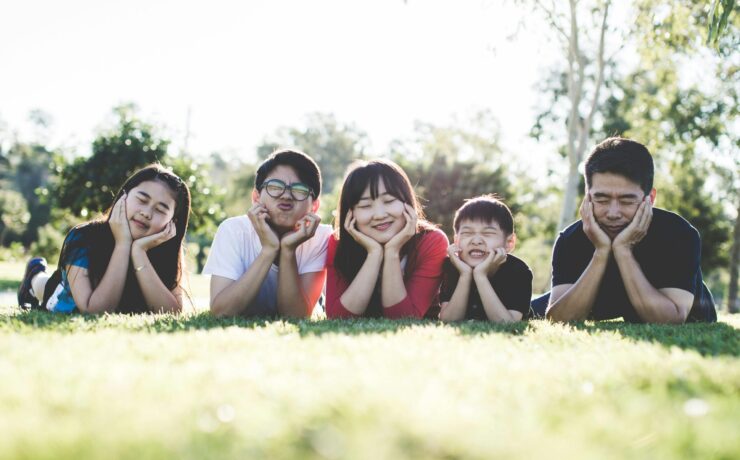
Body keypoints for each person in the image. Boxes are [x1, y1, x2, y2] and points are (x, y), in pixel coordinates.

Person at [542, 137, 717, 323]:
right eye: (601, 200)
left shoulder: (679, 234)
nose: (613, 213)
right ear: (587, 197)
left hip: (688, 311)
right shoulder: (570, 239)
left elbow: (671, 320)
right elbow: (558, 320)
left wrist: (623, 251)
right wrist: (601, 252)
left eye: (626, 201)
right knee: (528, 308)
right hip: (599, 300)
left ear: (650, 198)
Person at [17, 164, 191, 314]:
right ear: (124, 196)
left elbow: (171, 313)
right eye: (142, 199)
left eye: (160, 210)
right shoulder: (83, 236)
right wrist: (123, 244)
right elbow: (95, 310)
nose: (146, 213)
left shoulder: (166, 248)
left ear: (172, 222)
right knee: (46, 286)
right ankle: (34, 275)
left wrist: (139, 252)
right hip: (63, 293)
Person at [204, 149, 331, 318]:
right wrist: (268, 250)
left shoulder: (321, 237)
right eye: (275, 187)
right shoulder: (233, 230)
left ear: (314, 206)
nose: (286, 195)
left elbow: (295, 317)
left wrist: (288, 250)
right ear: (256, 198)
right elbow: (221, 312)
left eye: (299, 189)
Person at [326, 159, 449, 319]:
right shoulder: (338, 243)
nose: (380, 215)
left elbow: (403, 318)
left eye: (389, 201)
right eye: (365, 206)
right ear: (350, 213)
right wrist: (374, 253)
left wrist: (392, 251)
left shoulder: (431, 242)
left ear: (407, 202)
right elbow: (339, 317)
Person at [439, 195, 533, 322]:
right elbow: (449, 320)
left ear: (509, 242)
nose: (476, 241)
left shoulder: (518, 271)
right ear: (456, 240)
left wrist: (480, 275)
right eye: (467, 233)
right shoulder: (452, 265)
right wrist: (465, 275)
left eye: (488, 234)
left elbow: (507, 323)